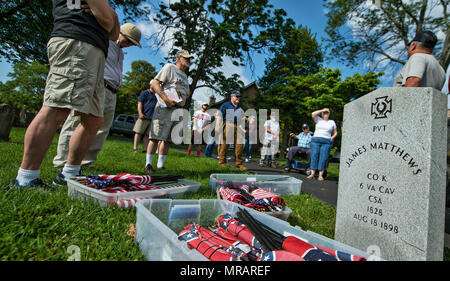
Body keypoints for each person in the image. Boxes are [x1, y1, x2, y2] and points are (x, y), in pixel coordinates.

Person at [7, 0, 119, 190]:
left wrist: (109, 14)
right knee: (56, 109)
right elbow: (107, 21)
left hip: (93, 48)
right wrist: (108, 14)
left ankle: (69, 174)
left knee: (93, 119)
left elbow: (113, 33)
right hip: (77, 43)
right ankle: (26, 177)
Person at [53, 23, 142, 172]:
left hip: (112, 91)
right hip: (98, 85)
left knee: (102, 129)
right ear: (118, 32)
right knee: (76, 123)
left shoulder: (121, 53)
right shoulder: (104, 41)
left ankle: (86, 161)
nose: (128, 45)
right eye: (127, 40)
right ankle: (62, 160)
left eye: (131, 44)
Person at [144, 50, 193, 173]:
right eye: (186, 58)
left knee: (167, 139)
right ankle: (148, 164)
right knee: (155, 136)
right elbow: (155, 83)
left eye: (189, 58)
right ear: (178, 58)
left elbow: (187, 93)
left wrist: (183, 95)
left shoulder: (185, 76)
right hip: (164, 107)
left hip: (177, 108)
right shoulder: (169, 67)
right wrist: (165, 99)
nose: (188, 60)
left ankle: (160, 165)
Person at [217, 91, 247, 171]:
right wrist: (217, 126)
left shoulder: (240, 108)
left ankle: (239, 164)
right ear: (232, 96)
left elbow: (241, 120)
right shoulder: (226, 105)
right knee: (225, 144)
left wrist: (243, 127)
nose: (238, 98)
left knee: (239, 146)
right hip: (228, 124)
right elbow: (219, 115)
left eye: (239, 97)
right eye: (236, 96)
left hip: (238, 126)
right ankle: (222, 162)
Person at [307, 108, 337, 181]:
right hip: (316, 140)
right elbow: (313, 114)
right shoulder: (318, 120)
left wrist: (331, 138)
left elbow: (335, 132)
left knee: (323, 157)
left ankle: (320, 175)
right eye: (324, 113)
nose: (326, 114)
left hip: (326, 141)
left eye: (327, 113)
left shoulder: (332, 122)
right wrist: (322, 110)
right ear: (322, 114)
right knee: (314, 155)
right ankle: (312, 174)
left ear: (329, 114)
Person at [133, 82, 158, 153]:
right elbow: (140, 103)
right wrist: (140, 113)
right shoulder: (145, 93)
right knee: (138, 132)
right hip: (143, 116)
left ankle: (144, 149)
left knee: (147, 135)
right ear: (151, 85)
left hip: (152, 118)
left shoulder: (157, 95)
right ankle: (135, 148)